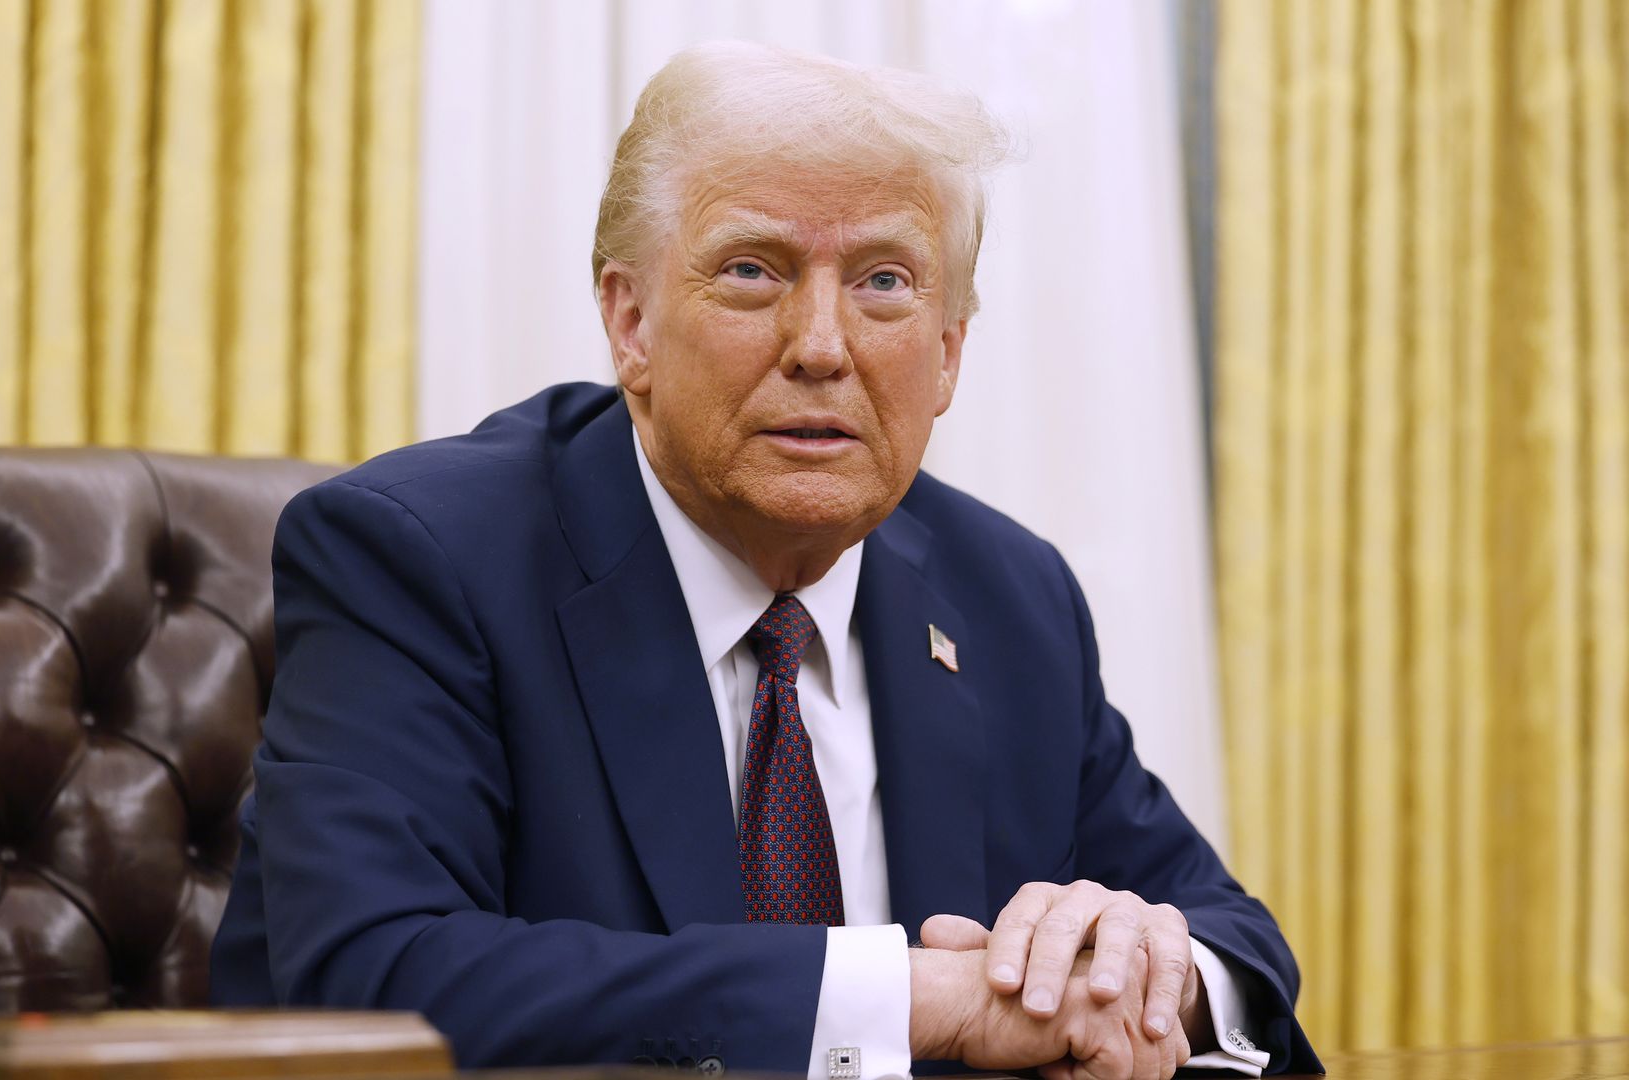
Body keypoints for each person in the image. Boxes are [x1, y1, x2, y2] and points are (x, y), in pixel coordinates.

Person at [211, 42, 1318, 1080]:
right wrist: (920, 998)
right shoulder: (420, 557)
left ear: (946, 354)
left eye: (885, 281)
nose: (824, 346)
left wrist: (1144, 971)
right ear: (630, 320)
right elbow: (369, 985)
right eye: (753, 270)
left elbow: (1233, 941)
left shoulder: (1006, 596)